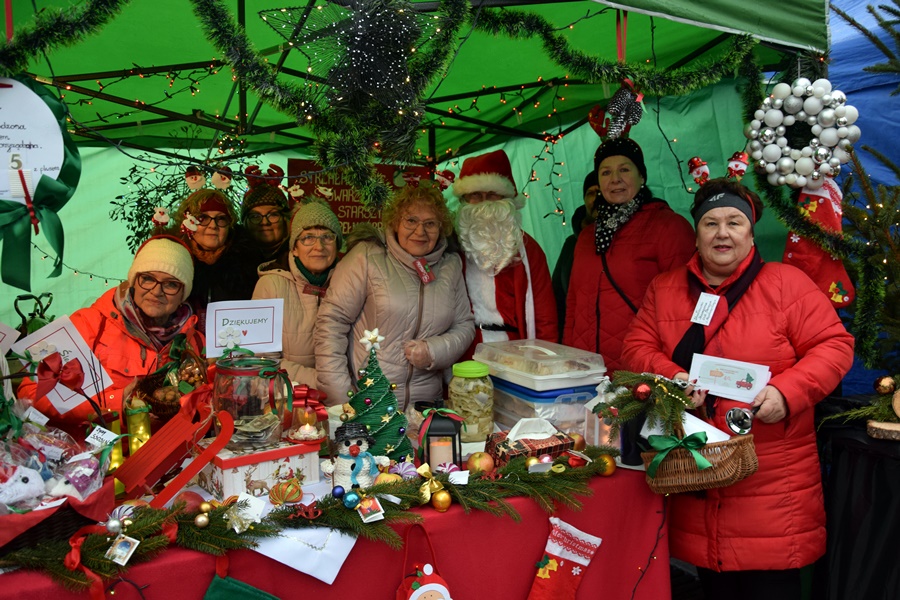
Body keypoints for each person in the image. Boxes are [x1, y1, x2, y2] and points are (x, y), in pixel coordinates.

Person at [621, 178, 854, 600]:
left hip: (772, 483)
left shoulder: (787, 284)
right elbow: (636, 346)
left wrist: (786, 393)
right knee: (714, 583)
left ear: (750, 232)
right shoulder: (666, 288)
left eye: (734, 222)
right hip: (697, 471)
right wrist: (672, 377)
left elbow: (835, 345)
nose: (722, 233)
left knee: (770, 587)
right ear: (696, 233)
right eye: (711, 223)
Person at [315, 183, 474, 418]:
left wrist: (433, 351)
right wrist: (342, 401)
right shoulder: (367, 257)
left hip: (424, 411)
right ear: (396, 222)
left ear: (441, 228)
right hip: (368, 404)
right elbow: (331, 325)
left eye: (430, 223)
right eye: (411, 221)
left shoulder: (450, 265)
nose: (420, 232)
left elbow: (464, 325)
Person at [18, 236, 203, 437]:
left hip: (166, 456)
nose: (157, 291)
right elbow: (30, 392)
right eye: (148, 278)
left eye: (171, 284)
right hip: (96, 459)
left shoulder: (194, 340)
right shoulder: (88, 324)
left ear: (183, 293)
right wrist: (115, 402)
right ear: (134, 281)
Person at [563, 137, 695, 371]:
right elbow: (573, 304)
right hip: (586, 371)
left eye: (624, 169)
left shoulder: (668, 227)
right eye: (605, 172)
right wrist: (568, 358)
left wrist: (672, 369)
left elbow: (683, 308)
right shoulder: (585, 237)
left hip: (641, 370)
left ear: (641, 176)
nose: (615, 179)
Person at [452, 149, 557, 351]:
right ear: (465, 200)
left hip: (514, 350)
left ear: (507, 200)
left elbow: (545, 316)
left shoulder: (529, 250)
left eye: (492, 195)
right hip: (464, 349)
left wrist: (545, 356)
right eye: (476, 195)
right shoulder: (452, 247)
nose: (484, 202)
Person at [252, 200, 342, 384]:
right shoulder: (270, 285)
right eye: (308, 237)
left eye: (327, 237)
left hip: (341, 395)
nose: (319, 246)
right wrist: (319, 381)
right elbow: (262, 360)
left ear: (337, 245)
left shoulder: (349, 283)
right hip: (287, 396)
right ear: (294, 248)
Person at [171, 188, 257, 330]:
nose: (213, 225)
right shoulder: (173, 261)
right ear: (187, 223)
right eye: (202, 218)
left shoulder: (248, 265)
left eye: (221, 218)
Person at [551, 172, 598, 338]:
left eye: (600, 192)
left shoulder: (630, 241)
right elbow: (557, 295)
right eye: (591, 193)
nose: (596, 199)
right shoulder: (572, 243)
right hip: (578, 339)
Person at [235, 164, 292, 285]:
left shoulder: (301, 259)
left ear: (285, 219)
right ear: (245, 222)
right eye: (255, 216)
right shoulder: (232, 264)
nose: (264, 222)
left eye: (273, 215)